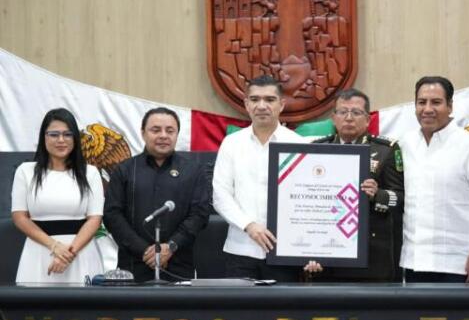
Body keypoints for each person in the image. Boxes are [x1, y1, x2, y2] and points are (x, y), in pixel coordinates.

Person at [399, 76, 469, 283]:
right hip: (414, 261)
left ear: (450, 106)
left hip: (460, 263)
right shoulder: (405, 144)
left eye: (436, 102)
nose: (427, 109)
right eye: (421, 102)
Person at [212, 75, 306, 281]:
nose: (262, 105)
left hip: (286, 251)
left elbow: (306, 198)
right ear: (246, 104)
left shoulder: (299, 144)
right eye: (255, 99)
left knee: (283, 313)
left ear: (281, 104)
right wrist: (249, 225)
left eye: (269, 100)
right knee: (240, 313)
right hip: (241, 249)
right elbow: (220, 195)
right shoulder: (231, 144)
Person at [104, 107, 210, 282]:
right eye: (156, 130)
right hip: (133, 266)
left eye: (170, 131)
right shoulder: (125, 169)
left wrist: (171, 247)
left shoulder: (193, 170)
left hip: (178, 265)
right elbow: (112, 215)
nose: (163, 135)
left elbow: (200, 214)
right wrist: (145, 251)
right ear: (143, 133)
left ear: (177, 135)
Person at [308, 88, 404, 281]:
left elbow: (400, 198)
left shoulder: (386, 150)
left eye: (356, 112)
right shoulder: (316, 150)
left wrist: (378, 195)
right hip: (327, 252)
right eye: (342, 112)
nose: (349, 118)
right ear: (333, 118)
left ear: (368, 119)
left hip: (371, 253)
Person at [11, 108, 104, 283]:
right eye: (54, 134)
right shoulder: (25, 171)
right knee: (35, 309)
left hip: (80, 254)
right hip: (39, 253)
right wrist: (54, 246)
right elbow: (19, 217)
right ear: (43, 137)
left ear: (75, 138)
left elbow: (95, 219)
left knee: (83, 309)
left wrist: (68, 254)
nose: (61, 140)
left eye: (67, 134)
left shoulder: (90, 173)